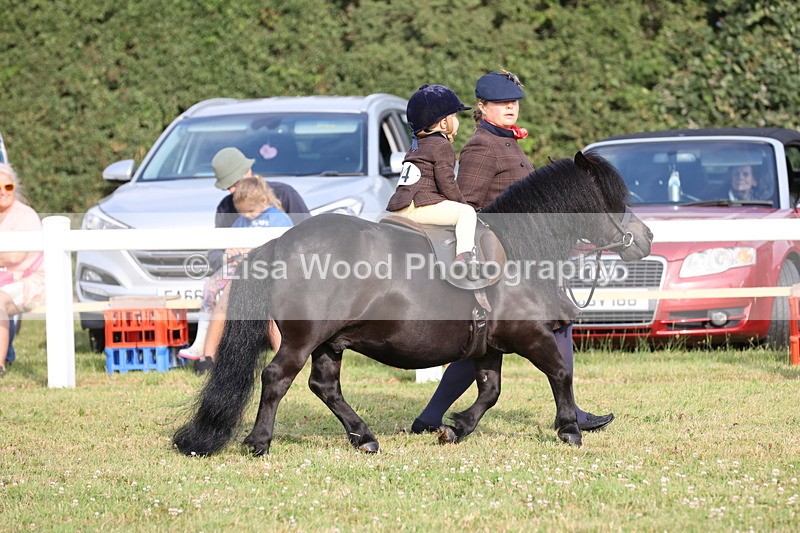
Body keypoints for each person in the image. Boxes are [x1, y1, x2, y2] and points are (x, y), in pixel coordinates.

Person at [410, 70, 615, 434]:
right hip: (500, 259)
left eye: (514, 102)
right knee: (499, 336)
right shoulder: (481, 146)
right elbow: (468, 206)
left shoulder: (509, 142)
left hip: (524, 256)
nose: (510, 108)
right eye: (502, 103)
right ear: (482, 107)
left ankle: (429, 417)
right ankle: (570, 412)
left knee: (492, 341)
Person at [181, 147, 308, 373]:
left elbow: (306, 240)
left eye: (233, 182)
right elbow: (216, 251)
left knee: (270, 307)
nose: (231, 190)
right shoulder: (227, 207)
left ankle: (288, 359)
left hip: (277, 273)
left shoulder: (284, 196)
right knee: (223, 298)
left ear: (248, 171)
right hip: (241, 274)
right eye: (226, 186)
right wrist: (228, 255)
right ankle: (206, 355)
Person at [386, 84, 479, 274]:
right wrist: (464, 203)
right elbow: (446, 183)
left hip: (397, 209)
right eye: (454, 116)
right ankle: (464, 258)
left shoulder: (416, 147)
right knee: (466, 214)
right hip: (417, 208)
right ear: (444, 123)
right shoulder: (441, 146)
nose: (457, 121)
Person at [0, 164, 44, 376]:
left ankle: (0, 364)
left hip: (30, 282)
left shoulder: (26, 216)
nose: (2, 191)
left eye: (7, 186)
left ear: (14, 188)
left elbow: (16, 256)